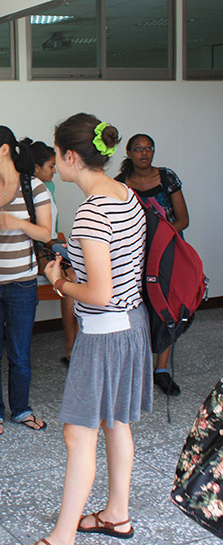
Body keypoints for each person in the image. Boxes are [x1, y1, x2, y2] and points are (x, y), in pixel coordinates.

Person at [35, 113, 151, 545]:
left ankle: (62, 536)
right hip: (131, 323)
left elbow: (99, 292)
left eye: (55, 155)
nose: (54, 164)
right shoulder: (125, 194)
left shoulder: (90, 213)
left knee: (78, 432)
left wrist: (60, 281)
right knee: (115, 422)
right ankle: (117, 515)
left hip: (104, 331)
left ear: (69, 156)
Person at [0, 126, 52, 437]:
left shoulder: (35, 188)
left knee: (19, 351)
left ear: (5, 149)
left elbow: (46, 233)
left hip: (22, 284)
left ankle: (22, 409)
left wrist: (17, 223)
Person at [115, 133, 189, 397]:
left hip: (168, 254)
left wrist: (160, 240)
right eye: (138, 149)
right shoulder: (120, 184)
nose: (144, 153)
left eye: (149, 148)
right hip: (134, 256)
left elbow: (183, 219)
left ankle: (161, 370)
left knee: (166, 309)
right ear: (129, 152)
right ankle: (138, 366)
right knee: (138, 309)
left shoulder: (167, 178)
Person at [25, 138, 78, 366]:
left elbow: (52, 230)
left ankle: (75, 344)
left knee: (76, 275)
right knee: (68, 279)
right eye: (50, 166)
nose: (54, 171)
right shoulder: (27, 190)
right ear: (37, 168)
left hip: (50, 246)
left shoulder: (50, 187)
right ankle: (71, 346)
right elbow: (35, 233)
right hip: (34, 250)